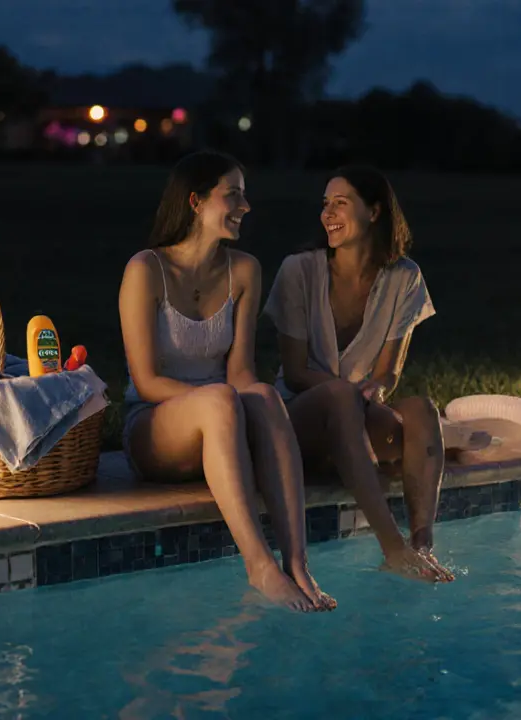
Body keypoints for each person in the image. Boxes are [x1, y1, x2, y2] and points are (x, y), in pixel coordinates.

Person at [118, 150, 335, 612]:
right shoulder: (146, 270)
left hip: (223, 421)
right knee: (223, 398)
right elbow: (147, 379)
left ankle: (296, 561)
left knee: (263, 395)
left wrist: (238, 401)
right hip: (155, 427)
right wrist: (220, 401)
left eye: (244, 194)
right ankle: (258, 565)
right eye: (232, 194)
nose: (245, 205)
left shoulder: (244, 270)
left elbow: (240, 372)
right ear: (195, 202)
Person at [263, 165, 455, 583]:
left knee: (423, 410)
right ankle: (392, 547)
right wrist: (348, 392)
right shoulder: (299, 271)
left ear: (374, 212)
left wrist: (373, 388)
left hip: (358, 413)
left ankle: (423, 546)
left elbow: (388, 374)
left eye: (341, 203)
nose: (327, 213)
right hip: (301, 419)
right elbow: (295, 374)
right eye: (325, 204)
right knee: (339, 397)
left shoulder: (405, 277)